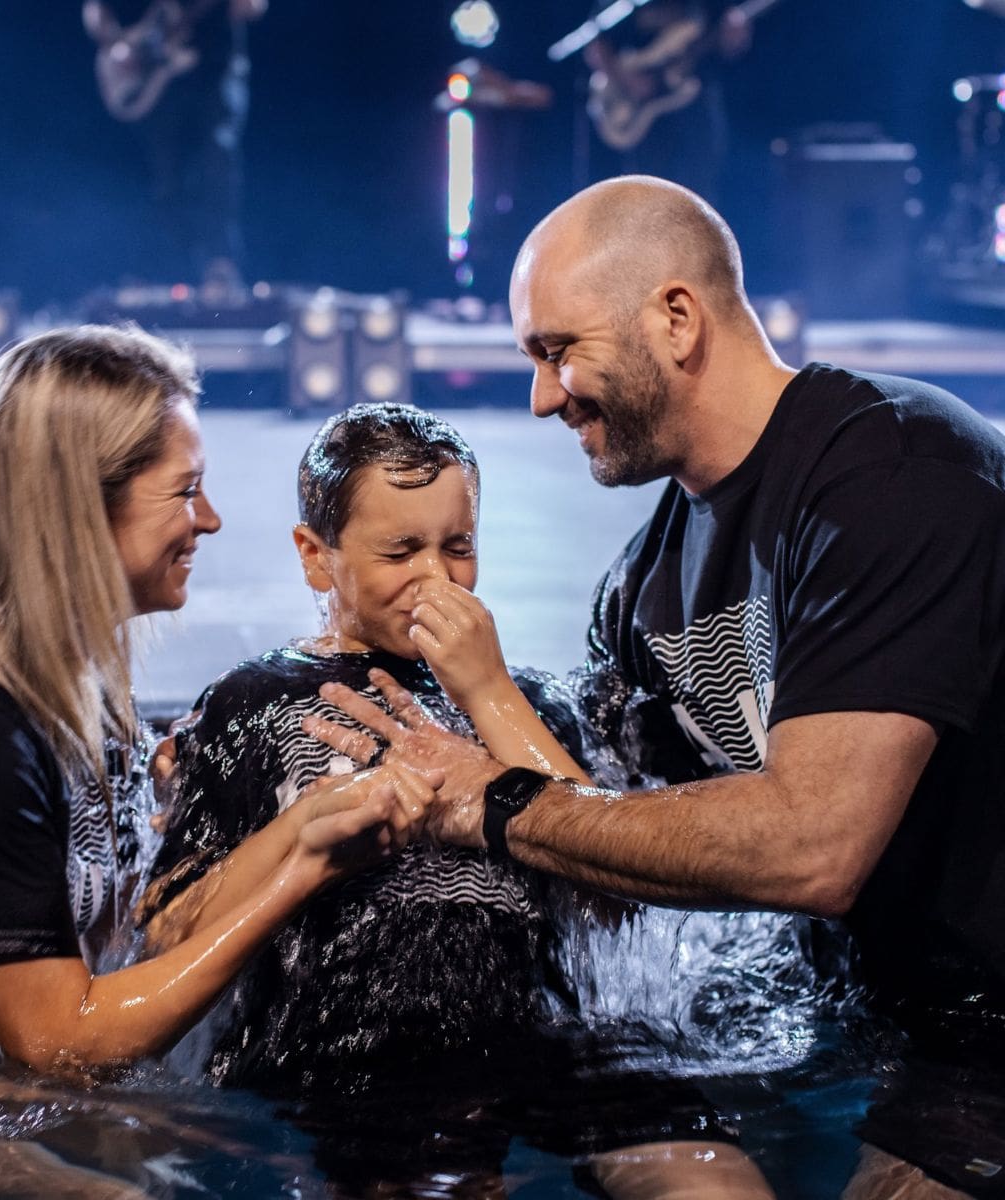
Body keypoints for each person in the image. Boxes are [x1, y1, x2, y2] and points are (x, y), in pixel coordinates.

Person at [305, 177, 1005, 1198]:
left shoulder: (893, 475)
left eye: (558, 350)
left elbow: (815, 848)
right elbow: (619, 853)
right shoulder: (643, 587)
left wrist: (484, 798)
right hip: (874, 1017)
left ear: (676, 319)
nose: (543, 396)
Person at [0, 326, 438, 1192]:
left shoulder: (65, 679)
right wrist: (305, 872)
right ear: (79, 510)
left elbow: (122, 931)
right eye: (185, 491)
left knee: (299, 1157)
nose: (209, 520)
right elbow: (62, 1046)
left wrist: (302, 826)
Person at [145, 402, 775, 1198]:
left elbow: (618, 893)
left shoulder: (530, 701)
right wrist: (307, 844)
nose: (436, 578)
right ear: (315, 556)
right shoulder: (253, 703)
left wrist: (489, 691)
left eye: (458, 547)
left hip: (543, 1037)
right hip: (352, 1050)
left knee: (713, 1178)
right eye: (399, 550)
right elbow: (167, 928)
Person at [83, 0, 264, 291]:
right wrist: (122, 43)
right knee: (166, 174)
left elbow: (251, 8)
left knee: (218, 157)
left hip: (215, 69)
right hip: (162, 78)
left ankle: (219, 265)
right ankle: (166, 272)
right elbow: (96, 10)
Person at [584, 0, 752, 207]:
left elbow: (726, 29)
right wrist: (627, 81)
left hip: (697, 95)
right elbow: (596, 44)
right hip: (645, 112)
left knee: (701, 187)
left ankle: (701, 237)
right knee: (649, 194)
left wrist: (734, 37)